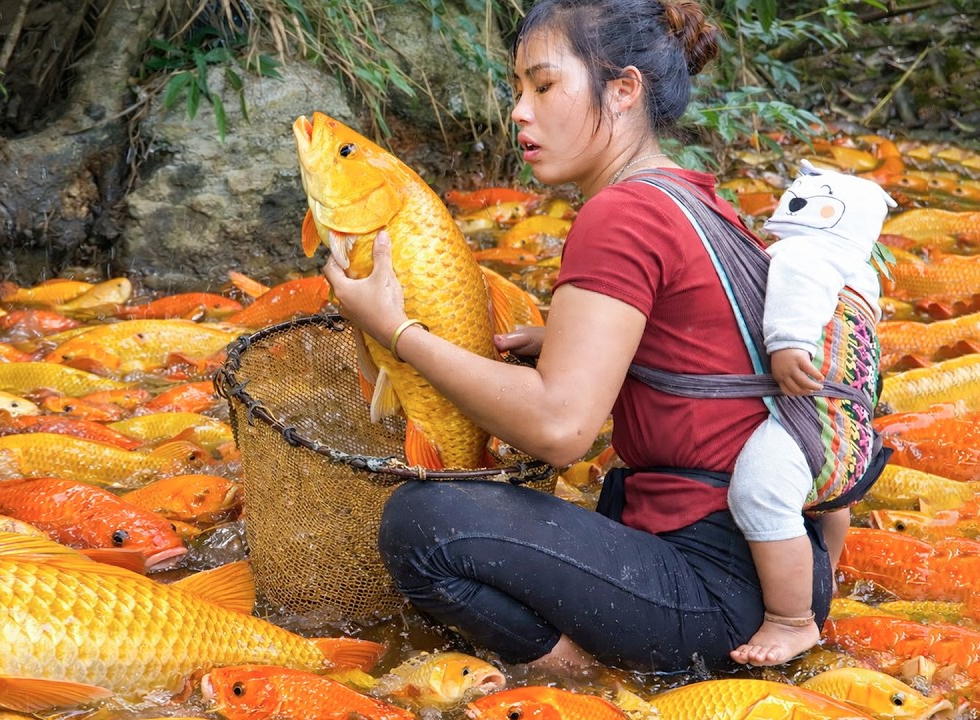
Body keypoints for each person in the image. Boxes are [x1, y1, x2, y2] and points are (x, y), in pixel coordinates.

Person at [320, 0, 839, 675]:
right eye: (516, 90)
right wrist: (563, 343)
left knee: (425, 525)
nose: (519, 112)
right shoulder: (692, 198)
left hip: (719, 595)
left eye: (543, 85)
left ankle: (583, 683)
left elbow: (561, 429)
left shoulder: (620, 213)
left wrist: (395, 329)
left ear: (624, 90)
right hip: (784, 567)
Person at [727, 161, 894, 665]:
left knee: (758, 492)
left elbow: (797, 291)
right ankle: (828, 575)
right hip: (850, 441)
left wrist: (787, 344)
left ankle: (792, 617)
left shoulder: (802, 252)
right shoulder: (861, 278)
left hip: (808, 421)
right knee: (827, 504)